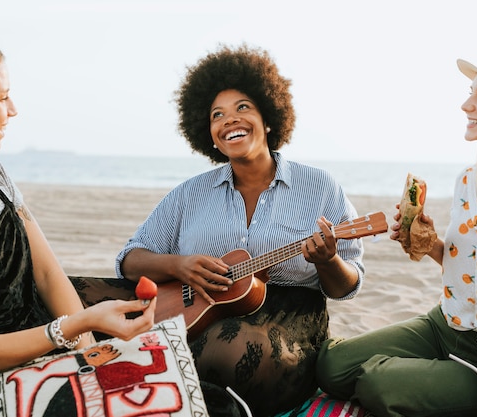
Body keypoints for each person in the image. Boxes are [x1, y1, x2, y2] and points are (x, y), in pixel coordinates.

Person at [115, 44, 365, 417]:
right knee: (82, 292)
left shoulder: (320, 186)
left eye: (242, 107)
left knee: (226, 353)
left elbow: (347, 286)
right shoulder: (190, 193)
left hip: (288, 319)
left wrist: (328, 261)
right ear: (210, 133)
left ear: (268, 118)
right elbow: (131, 259)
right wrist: (178, 266)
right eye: (218, 115)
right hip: (197, 307)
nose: (230, 120)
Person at [0, 25, 156, 416]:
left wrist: (91, 357)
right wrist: (76, 326)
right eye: (3, 97)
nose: (13, 110)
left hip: (46, 350)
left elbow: (48, 277)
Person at [315, 40, 477, 417]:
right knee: (332, 366)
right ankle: (440, 384)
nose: (466, 106)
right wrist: (431, 244)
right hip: (446, 324)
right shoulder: (467, 181)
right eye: (469, 94)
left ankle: (458, 388)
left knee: (378, 383)